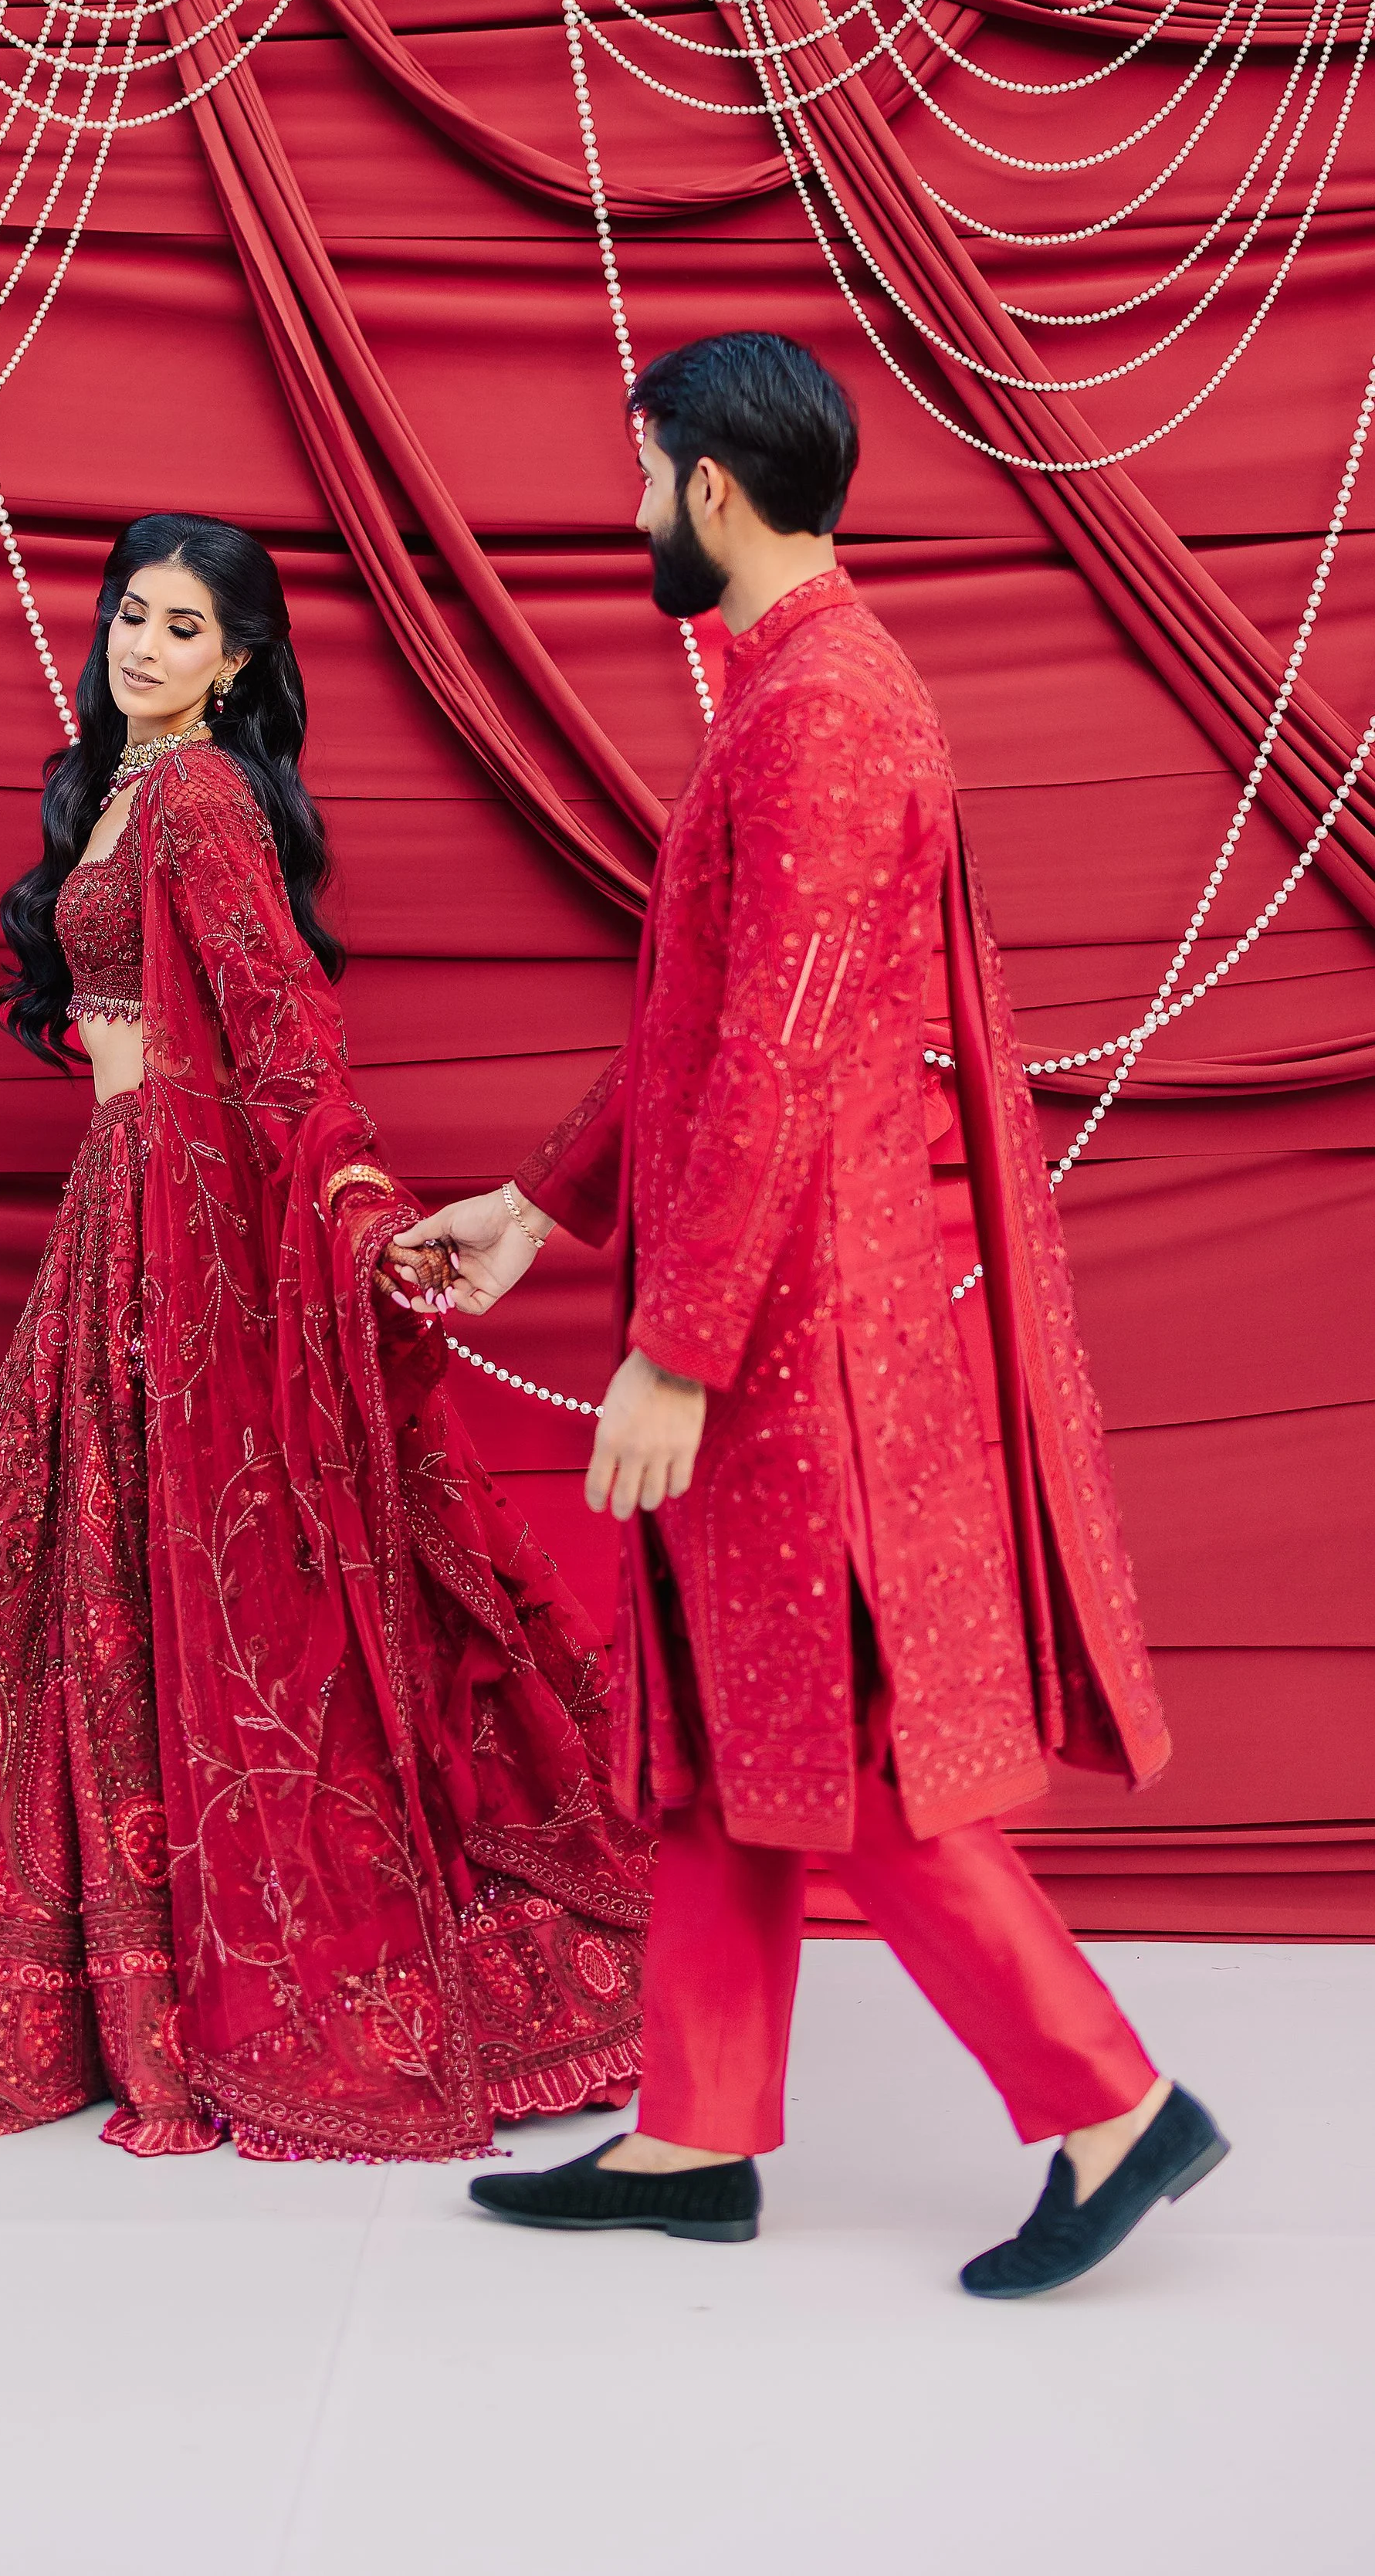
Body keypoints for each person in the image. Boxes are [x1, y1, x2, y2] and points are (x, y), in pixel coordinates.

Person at [392, 335, 1228, 2293]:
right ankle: (692, 2133)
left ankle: (1107, 2108)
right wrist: (536, 1210)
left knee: (839, 1741)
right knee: (713, 1727)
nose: (625, 515)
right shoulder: (784, 698)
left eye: (637, 478)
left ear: (707, 487)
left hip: (793, 1339)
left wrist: (672, 1345)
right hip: (761, 1306)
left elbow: (767, 1068)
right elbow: (697, 1039)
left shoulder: (826, 716)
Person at [0, 512, 651, 2160]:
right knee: (87, 1583)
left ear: (240, 660)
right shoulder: (126, 787)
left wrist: (350, 1203)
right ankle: (108, 1965)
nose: (141, 646)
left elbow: (281, 1023)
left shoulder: (200, 796)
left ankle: (198, 1973)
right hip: (123, 1212)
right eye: (130, 614)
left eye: (181, 627)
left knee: (162, 1585)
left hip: (184, 1232)